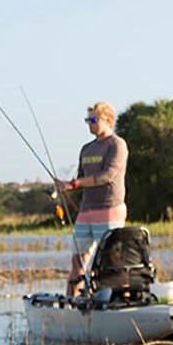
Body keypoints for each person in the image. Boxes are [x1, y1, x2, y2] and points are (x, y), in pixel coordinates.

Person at [61, 101, 128, 297]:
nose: (89, 124)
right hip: (86, 211)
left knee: (113, 261)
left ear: (107, 119)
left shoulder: (117, 144)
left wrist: (75, 184)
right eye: (87, 120)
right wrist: (66, 185)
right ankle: (71, 302)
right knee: (77, 262)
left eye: (93, 119)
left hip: (109, 210)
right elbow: (81, 178)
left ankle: (124, 302)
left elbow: (107, 176)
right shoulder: (86, 149)